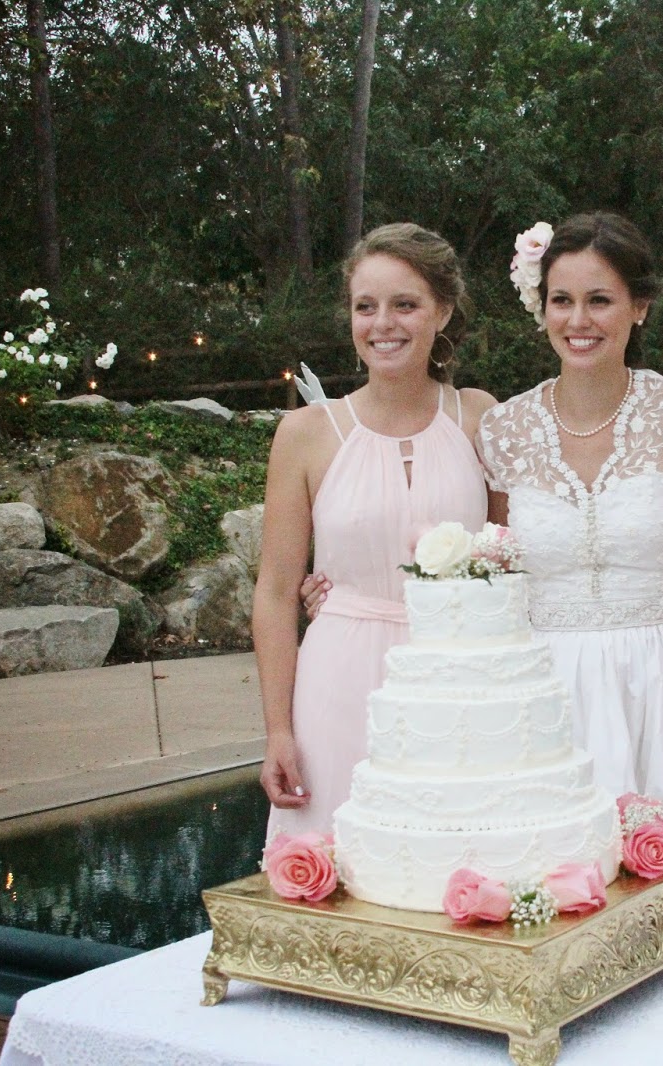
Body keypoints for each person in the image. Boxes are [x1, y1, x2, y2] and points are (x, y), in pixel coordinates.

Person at [475, 212, 663, 835]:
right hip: (547, 688)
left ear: (640, 306)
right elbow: (497, 567)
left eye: (600, 300)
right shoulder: (503, 430)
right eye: (562, 300)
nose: (578, 320)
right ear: (541, 307)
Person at [254, 223, 494, 839]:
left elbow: (511, 559)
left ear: (443, 311)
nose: (383, 324)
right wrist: (278, 731)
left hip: (458, 679)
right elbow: (275, 593)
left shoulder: (478, 416)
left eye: (405, 304)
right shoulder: (306, 433)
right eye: (366, 307)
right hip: (339, 680)